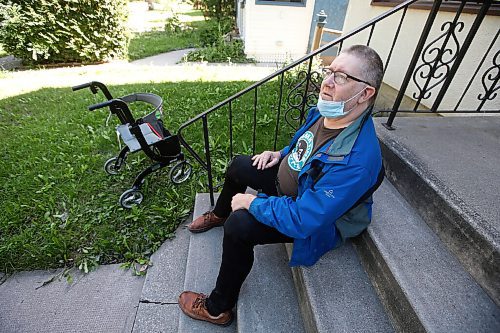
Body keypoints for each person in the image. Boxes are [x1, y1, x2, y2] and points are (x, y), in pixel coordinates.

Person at [178, 45, 384, 326]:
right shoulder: (328, 112)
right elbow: (305, 143)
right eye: (329, 71)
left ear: (366, 93)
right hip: (293, 181)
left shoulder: (357, 160)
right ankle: (220, 212)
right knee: (239, 165)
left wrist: (251, 202)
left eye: (342, 77)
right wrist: (282, 154)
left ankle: (217, 307)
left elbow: (305, 218)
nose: (327, 82)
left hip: (311, 214)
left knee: (240, 226)